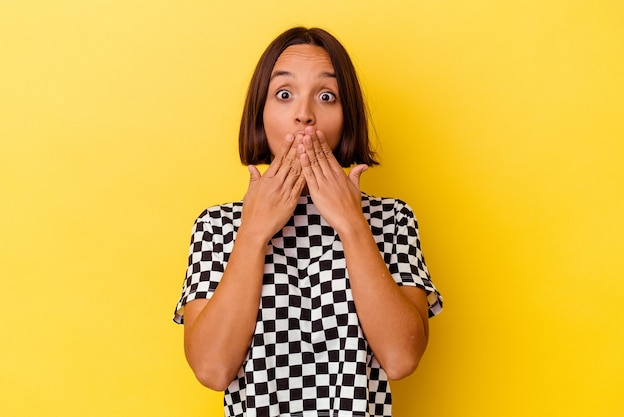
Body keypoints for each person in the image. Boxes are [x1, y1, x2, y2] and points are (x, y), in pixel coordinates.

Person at [173, 26, 443, 417]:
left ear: (346, 116)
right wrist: (252, 232)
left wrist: (352, 224)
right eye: (284, 95)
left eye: (326, 96)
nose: (304, 114)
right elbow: (212, 369)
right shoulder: (217, 225)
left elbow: (402, 359)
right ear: (260, 116)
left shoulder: (391, 219)